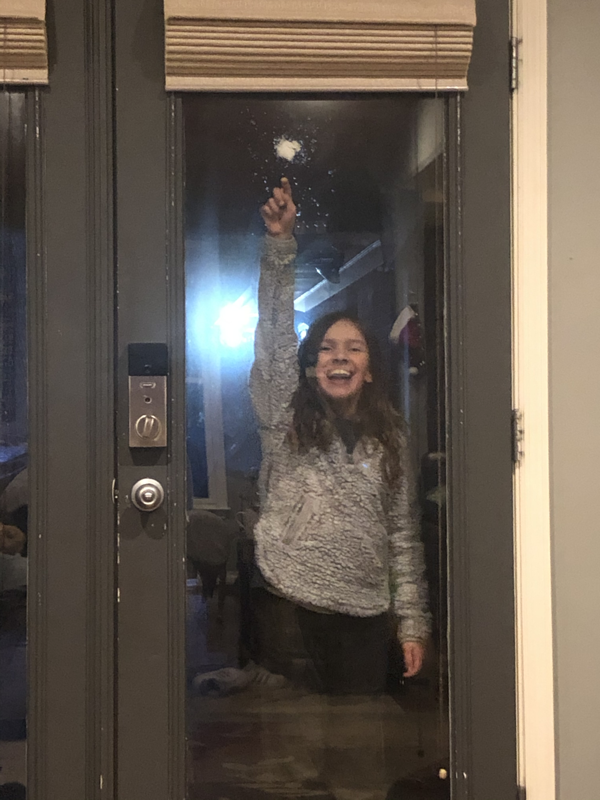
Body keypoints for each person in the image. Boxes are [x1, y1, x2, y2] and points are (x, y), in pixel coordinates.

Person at [249, 178, 430, 694]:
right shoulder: (283, 416)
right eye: (327, 348)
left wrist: (412, 623)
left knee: (357, 737)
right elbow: (275, 337)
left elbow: (403, 535)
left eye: (353, 348)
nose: (339, 357)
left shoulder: (391, 436)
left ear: (369, 369)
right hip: (289, 605)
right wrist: (281, 246)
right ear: (312, 366)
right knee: (290, 740)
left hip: (366, 615)